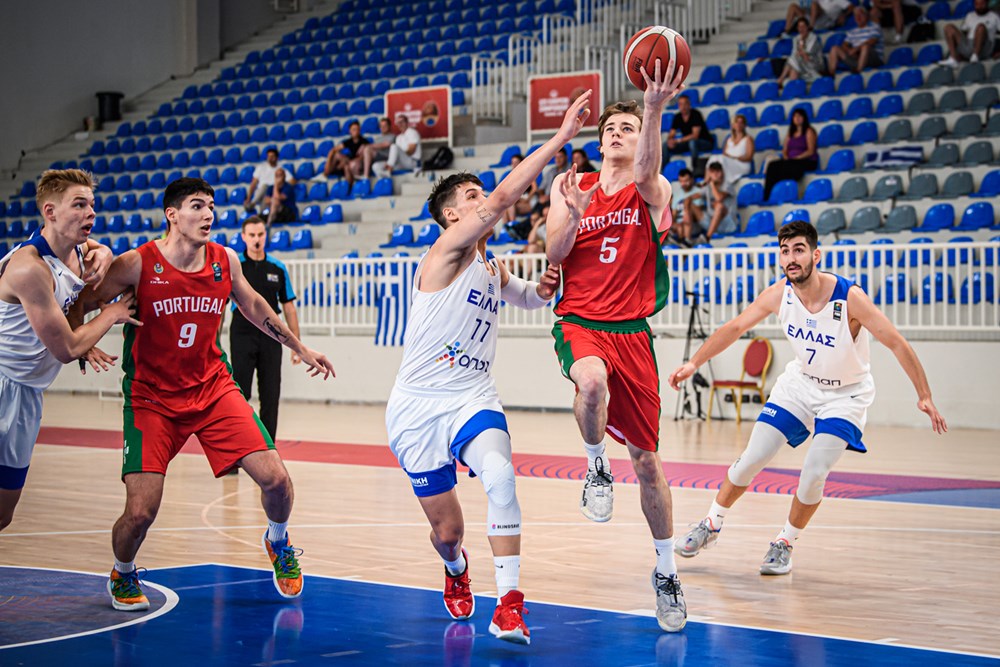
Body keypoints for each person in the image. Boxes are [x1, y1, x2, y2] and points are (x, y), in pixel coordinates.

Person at [384, 92, 592, 645]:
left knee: (501, 476)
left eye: (481, 196)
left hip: (472, 395)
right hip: (418, 406)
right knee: (447, 531)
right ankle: (455, 568)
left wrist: (546, 285)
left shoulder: (489, 264)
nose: (485, 203)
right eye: (472, 198)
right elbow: (502, 198)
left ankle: (509, 605)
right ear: (453, 215)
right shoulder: (446, 251)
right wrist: (559, 138)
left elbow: (527, 298)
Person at [85, 177, 335, 611]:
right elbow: (82, 301)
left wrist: (300, 346)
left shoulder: (224, 259)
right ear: (172, 215)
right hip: (151, 398)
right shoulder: (137, 263)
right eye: (197, 206)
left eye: (212, 207)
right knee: (141, 512)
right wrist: (86, 338)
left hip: (212, 387)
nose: (208, 215)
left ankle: (278, 542)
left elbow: (255, 306)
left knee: (276, 480)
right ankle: (122, 572)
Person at [668, 221, 947, 575]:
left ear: (816, 254)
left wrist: (924, 395)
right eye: (785, 251)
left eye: (798, 250)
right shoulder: (778, 293)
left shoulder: (850, 298)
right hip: (800, 386)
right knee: (751, 459)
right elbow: (735, 327)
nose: (791, 258)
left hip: (845, 395)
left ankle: (784, 542)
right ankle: (711, 524)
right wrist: (695, 362)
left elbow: (896, 342)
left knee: (813, 473)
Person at [546, 60, 689, 633]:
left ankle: (665, 570)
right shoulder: (571, 185)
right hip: (580, 319)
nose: (615, 134)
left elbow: (652, 172)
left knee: (650, 464)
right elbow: (555, 254)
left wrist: (651, 107)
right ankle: (595, 466)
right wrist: (572, 219)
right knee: (591, 381)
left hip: (633, 331)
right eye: (610, 129)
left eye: (626, 129)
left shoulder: (653, 189)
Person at [0, 169, 128, 530]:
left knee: (3, 514)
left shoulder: (77, 250)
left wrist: (105, 249)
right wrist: (112, 313)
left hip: (26, 393)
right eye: (79, 205)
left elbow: (94, 251)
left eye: (92, 204)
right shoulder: (29, 269)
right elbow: (68, 349)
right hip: (1, 380)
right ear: (50, 212)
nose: (91, 213)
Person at [230, 216, 301, 442]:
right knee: (240, 393)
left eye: (260, 234)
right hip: (242, 333)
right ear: (243, 237)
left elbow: (289, 307)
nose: (256, 239)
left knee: (270, 394)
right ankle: (238, 449)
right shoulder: (235, 267)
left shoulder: (277, 268)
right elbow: (220, 306)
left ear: (266, 235)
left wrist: (296, 345)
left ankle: (268, 450)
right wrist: (212, 341)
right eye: (251, 235)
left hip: (271, 336)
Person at [763, 108, 818, 201]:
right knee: (772, 166)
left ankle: (787, 193)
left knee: (789, 168)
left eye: (799, 116)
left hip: (806, 160)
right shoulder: (790, 133)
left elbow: (811, 151)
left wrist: (797, 158)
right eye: (795, 116)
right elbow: (785, 149)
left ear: (804, 118)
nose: (797, 118)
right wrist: (786, 157)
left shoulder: (809, 131)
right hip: (791, 161)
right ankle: (767, 196)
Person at [939, 0, 1000, 66]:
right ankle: (953, 58)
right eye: (977, 4)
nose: (979, 6)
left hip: (985, 47)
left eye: (982, 4)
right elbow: (964, 32)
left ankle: (975, 56)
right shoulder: (970, 15)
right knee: (949, 27)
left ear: (987, 3)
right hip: (969, 45)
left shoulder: (994, 16)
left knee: (981, 27)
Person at [827, 6, 885, 74]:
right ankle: (831, 73)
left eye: (860, 15)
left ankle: (858, 71)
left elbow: (872, 41)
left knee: (865, 46)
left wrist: (856, 49)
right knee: (834, 48)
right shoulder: (852, 31)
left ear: (866, 16)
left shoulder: (875, 27)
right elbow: (844, 44)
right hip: (857, 57)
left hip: (873, 59)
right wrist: (849, 50)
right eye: (856, 15)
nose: (858, 17)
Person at [662, 94, 713, 167]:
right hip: (687, 142)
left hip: (704, 141)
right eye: (681, 104)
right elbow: (672, 133)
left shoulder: (696, 114)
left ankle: (695, 168)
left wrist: (678, 141)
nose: (683, 106)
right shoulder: (677, 116)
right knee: (665, 145)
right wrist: (670, 141)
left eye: (685, 103)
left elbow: (695, 136)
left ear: (689, 104)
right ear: (678, 105)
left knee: (692, 143)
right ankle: (664, 170)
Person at [778, 18, 827, 85]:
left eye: (803, 26)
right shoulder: (796, 39)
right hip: (801, 64)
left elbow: (806, 55)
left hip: (815, 64)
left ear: (807, 27)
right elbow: (794, 53)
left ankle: (781, 79)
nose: (801, 29)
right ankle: (793, 86)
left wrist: (801, 43)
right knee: (793, 64)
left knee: (793, 60)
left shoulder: (813, 38)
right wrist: (800, 51)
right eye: (799, 27)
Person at [244, 148, 294, 213]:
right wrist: (248, 197)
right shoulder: (261, 168)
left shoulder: (281, 170)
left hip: (271, 194)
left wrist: (281, 185)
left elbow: (292, 181)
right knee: (264, 187)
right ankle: (253, 203)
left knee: (265, 203)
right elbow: (253, 183)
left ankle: (254, 205)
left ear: (277, 158)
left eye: (272, 156)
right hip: (260, 193)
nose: (270, 158)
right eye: (269, 156)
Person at [323, 121, 369, 190]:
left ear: (359, 130)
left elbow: (364, 157)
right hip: (349, 161)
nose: (355, 131)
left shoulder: (364, 141)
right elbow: (333, 150)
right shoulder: (348, 141)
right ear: (350, 131)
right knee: (336, 155)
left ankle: (349, 188)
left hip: (357, 165)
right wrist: (329, 160)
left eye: (357, 129)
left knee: (346, 166)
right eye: (353, 129)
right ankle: (326, 173)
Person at [715, 114, 755, 189]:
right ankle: (708, 180)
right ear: (733, 125)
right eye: (737, 122)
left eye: (741, 123)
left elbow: (749, 157)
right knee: (714, 158)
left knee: (722, 162)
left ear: (744, 125)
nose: (739, 125)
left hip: (742, 165)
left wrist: (734, 158)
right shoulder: (729, 140)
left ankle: (719, 185)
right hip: (728, 164)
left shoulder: (748, 139)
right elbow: (724, 154)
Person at [701, 162, 738, 240]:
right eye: (712, 172)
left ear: (722, 172)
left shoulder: (728, 186)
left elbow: (719, 198)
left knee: (719, 206)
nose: (715, 175)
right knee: (690, 204)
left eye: (717, 172)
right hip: (712, 222)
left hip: (728, 224)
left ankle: (707, 237)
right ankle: (685, 239)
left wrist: (712, 184)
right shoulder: (707, 187)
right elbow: (696, 194)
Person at [670, 168, 706, 246]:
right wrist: (674, 224)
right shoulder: (677, 194)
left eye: (686, 181)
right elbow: (674, 214)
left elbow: (698, 215)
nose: (684, 184)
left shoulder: (698, 192)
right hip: (680, 226)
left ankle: (686, 241)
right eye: (681, 181)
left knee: (686, 217)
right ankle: (682, 242)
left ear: (692, 180)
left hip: (694, 225)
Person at [785, 0, 853, 34]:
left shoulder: (839, 0)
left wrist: (844, 15)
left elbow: (851, 7)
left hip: (826, 20)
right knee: (793, 7)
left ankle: (810, 29)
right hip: (814, 18)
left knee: (814, 4)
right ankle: (786, 32)